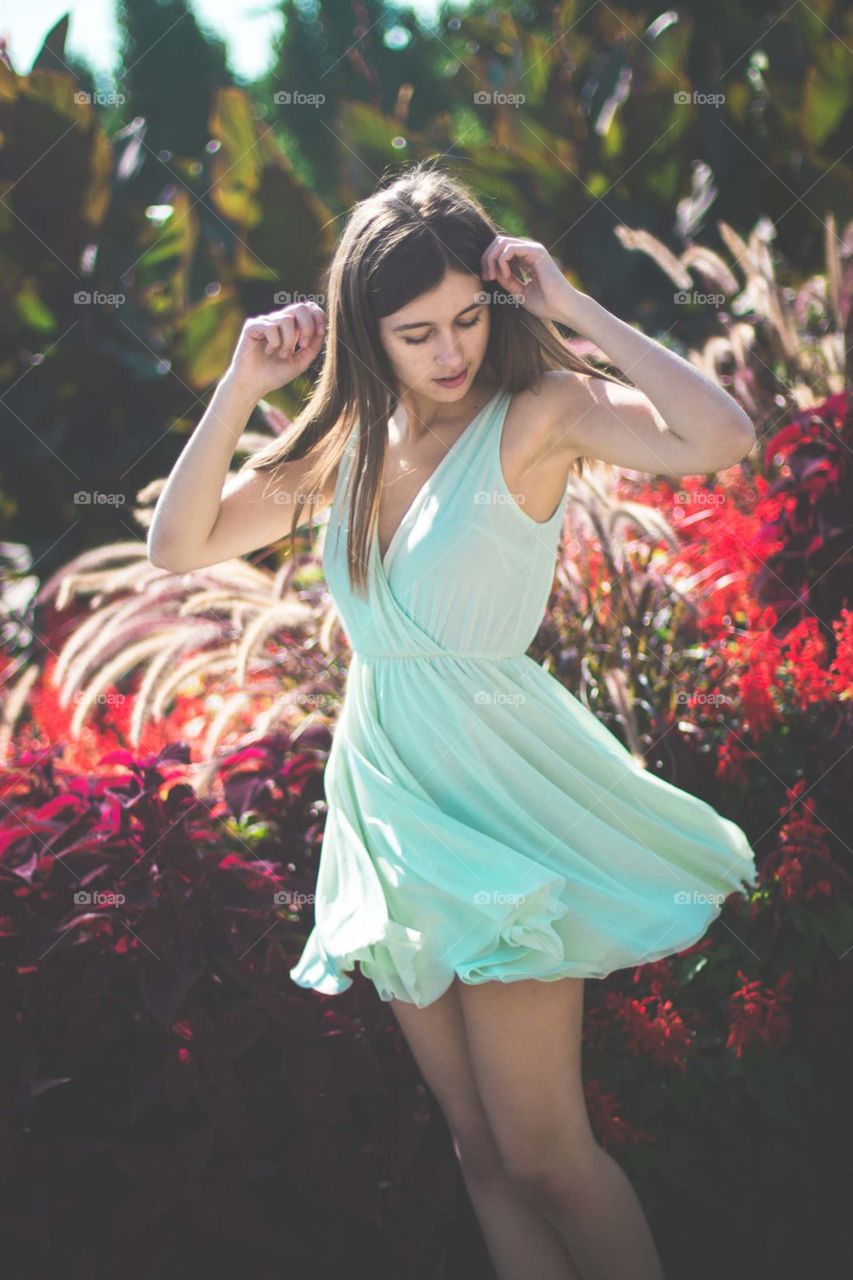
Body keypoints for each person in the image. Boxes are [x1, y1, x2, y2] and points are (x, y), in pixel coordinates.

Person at [148, 160, 758, 1280]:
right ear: (362, 331)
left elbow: (722, 437)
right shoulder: (342, 449)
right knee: (480, 1147)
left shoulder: (540, 411)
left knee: (545, 1150)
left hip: (503, 796)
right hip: (388, 799)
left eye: (468, 317)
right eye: (416, 329)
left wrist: (571, 308)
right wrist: (238, 386)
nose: (450, 350)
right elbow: (177, 545)